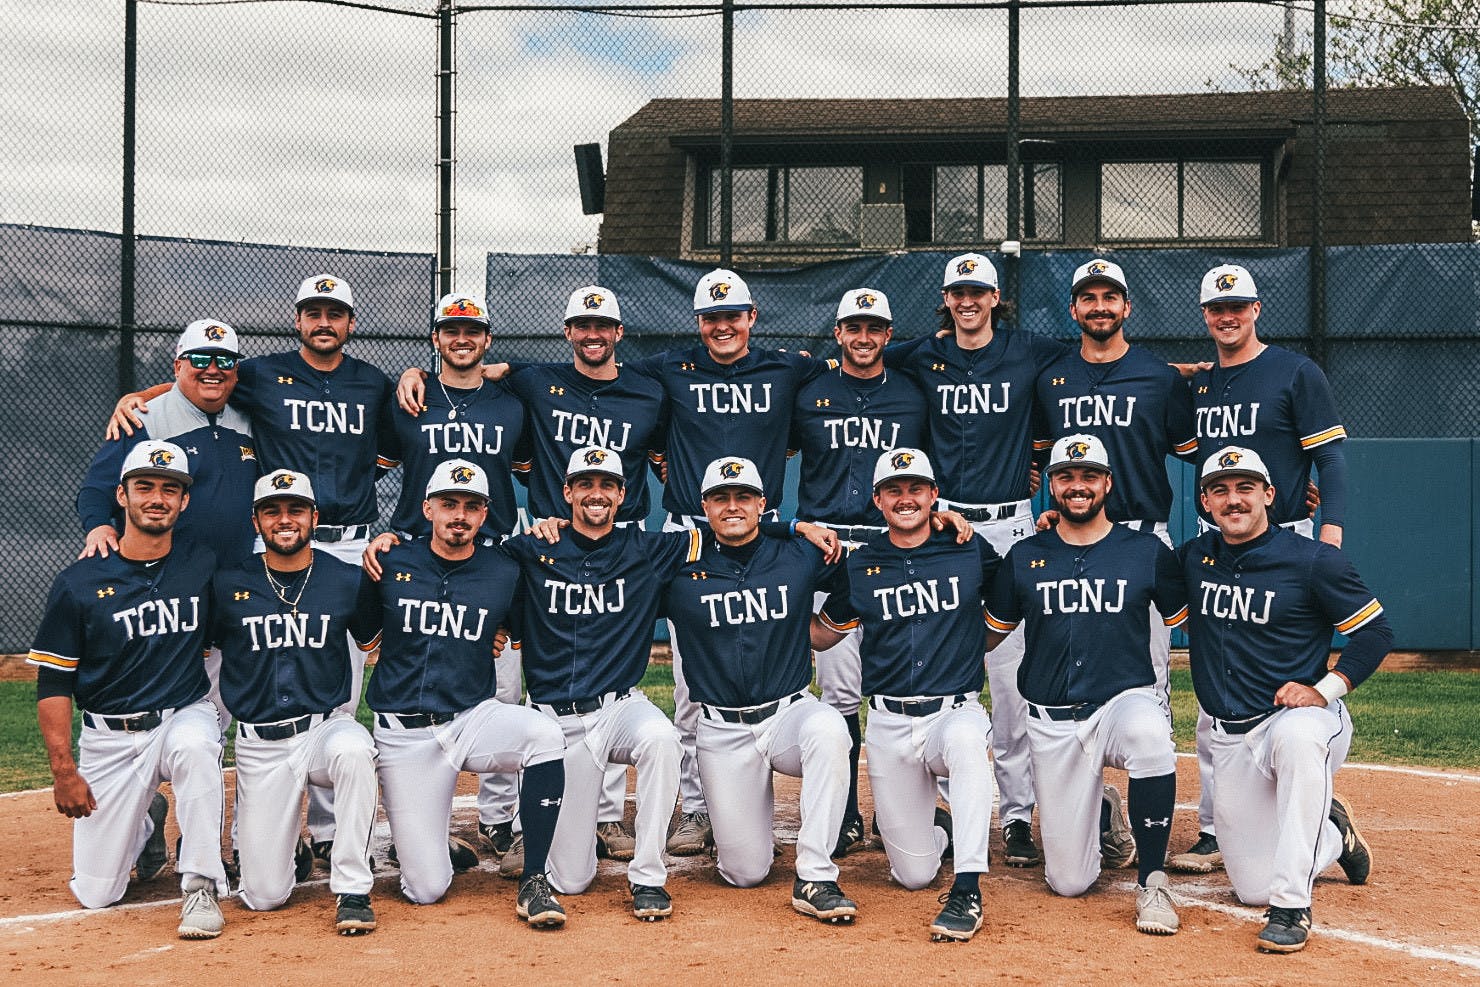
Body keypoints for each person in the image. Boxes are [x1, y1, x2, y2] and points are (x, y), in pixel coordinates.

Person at [107, 274, 396, 866]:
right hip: (281, 538)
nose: (323, 321)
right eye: (313, 311)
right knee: (264, 671)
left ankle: (328, 828)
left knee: (337, 692)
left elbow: (394, 442)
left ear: (350, 322)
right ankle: (258, 821)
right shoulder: (261, 372)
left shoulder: (373, 382)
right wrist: (143, 398)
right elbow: (206, 381)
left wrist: (418, 376)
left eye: (334, 312)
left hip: (349, 544)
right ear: (297, 319)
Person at [392, 285, 667, 862]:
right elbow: (482, 370)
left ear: (619, 331)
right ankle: (501, 819)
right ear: (566, 331)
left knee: (601, 667)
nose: (592, 334)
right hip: (537, 537)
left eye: (603, 325)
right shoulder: (530, 386)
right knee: (508, 688)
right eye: (581, 325)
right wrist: (414, 370)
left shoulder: (646, 390)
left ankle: (606, 818)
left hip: (617, 536)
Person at [634, 269, 836, 857]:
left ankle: (794, 790)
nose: (723, 326)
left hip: (762, 527)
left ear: (751, 318)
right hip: (692, 533)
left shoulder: (789, 367)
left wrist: (788, 522)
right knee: (692, 678)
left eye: (734, 315)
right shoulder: (671, 367)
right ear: (699, 324)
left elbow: (866, 362)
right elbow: (596, 375)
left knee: (774, 649)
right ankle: (697, 806)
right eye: (712, 318)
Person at [884, 253, 1069, 868]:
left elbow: (1103, 360)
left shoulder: (1029, 350)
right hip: (944, 525)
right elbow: (860, 360)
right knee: (938, 670)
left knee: (1011, 683)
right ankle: (936, 805)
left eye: (978, 291)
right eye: (957, 292)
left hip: (1011, 523)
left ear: (995, 297)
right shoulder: (919, 355)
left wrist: (1186, 369)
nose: (967, 301)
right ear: (946, 299)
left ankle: (1017, 816)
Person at [1173, 263, 1352, 875]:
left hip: (1286, 534)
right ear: (1204, 316)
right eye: (1217, 309)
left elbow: (1329, 455)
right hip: (1217, 536)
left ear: (1255, 310)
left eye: (1239, 306)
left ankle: (1317, 760)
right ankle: (1213, 827)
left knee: (1282, 668)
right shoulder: (1199, 387)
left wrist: (1330, 525)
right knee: (1216, 688)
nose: (1228, 316)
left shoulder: (1295, 371)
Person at [1179, 447, 1384, 952]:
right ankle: (1333, 833)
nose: (1234, 500)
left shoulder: (1313, 559)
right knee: (1250, 888)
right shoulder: (1191, 558)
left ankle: (1293, 906)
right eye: (1221, 490)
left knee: (1297, 738)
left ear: (1269, 495)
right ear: (1204, 501)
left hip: (1295, 718)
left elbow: (1375, 633)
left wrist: (1324, 689)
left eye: (1246, 488)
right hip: (1231, 733)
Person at [984, 435, 1186, 935]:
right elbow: (987, 636)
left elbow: (1195, 622)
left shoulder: (1146, 553)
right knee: (1069, 881)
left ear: (1107, 483)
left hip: (1121, 703)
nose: (1078, 486)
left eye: (1088, 476)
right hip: (1052, 721)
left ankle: (1153, 881)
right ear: (1050, 485)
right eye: (1066, 477)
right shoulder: (1025, 555)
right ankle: (1103, 809)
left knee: (1151, 733)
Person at [30, 440, 228, 938]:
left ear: (185, 502)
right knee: (97, 894)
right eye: (145, 487)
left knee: (199, 746)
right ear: (122, 495)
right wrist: (63, 772)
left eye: (170, 489)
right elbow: (54, 681)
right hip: (110, 738)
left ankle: (200, 884)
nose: (157, 498)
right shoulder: (79, 582)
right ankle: (145, 820)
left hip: (182, 715)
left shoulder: (201, 566)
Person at [364, 459, 569, 927]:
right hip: (404, 734)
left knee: (543, 734)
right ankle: (430, 843)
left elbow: (513, 627)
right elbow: (365, 634)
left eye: (471, 506)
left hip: (470, 718)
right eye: (449, 504)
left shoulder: (504, 569)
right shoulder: (391, 559)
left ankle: (534, 879)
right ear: (427, 508)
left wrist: (493, 633)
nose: (460, 515)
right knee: (426, 889)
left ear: (485, 514)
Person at [813, 448, 1001, 942]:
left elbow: (1013, 595)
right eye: (893, 490)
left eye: (916, 488)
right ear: (877, 500)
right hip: (889, 723)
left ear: (934, 495)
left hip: (952, 712)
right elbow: (826, 633)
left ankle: (967, 889)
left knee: (966, 745)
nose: (905, 498)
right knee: (913, 875)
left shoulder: (968, 547)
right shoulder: (862, 564)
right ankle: (938, 828)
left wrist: (975, 642)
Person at [662, 457, 858, 924]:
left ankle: (815, 873)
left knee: (830, 729)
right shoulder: (675, 562)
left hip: (788, 715)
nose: (733, 506)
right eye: (721, 498)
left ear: (762, 504)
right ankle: (741, 834)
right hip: (720, 728)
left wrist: (826, 628)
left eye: (744, 497)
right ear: (704, 506)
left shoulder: (801, 554)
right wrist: (792, 526)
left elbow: (860, 575)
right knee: (745, 871)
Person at [373, 291, 529, 867]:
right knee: (419, 676)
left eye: (472, 331)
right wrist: (386, 537)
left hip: (492, 556)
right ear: (435, 339)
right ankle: (416, 819)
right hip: (419, 552)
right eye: (449, 330)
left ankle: (499, 820)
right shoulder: (408, 400)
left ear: (487, 340)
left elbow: (526, 468)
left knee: (504, 687)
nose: (461, 339)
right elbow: (378, 466)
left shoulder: (511, 405)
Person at [502, 447, 690, 920]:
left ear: (623, 495)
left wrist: (792, 526)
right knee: (572, 879)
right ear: (567, 492)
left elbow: (734, 533)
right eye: (585, 484)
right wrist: (387, 547)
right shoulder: (533, 547)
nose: (596, 493)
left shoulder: (646, 548)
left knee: (662, 738)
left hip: (618, 708)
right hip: (553, 722)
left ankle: (648, 876)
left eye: (607, 484)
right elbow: (469, 559)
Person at [790, 288, 929, 857]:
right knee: (841, 690)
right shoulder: (810, 393)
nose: (864, 337)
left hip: (892, 550)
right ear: (839, 333)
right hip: (829, 548)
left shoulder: (912, 395)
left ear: (888, 335)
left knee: (906, 679)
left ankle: (914, 807)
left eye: (875, 327)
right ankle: (845, 813)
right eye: (854, 327)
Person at [211, 469, 381, 935]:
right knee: (264, 897)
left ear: (313, 517)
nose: (285, 519)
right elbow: (199, 647)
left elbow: (377, 641)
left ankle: (352, 888)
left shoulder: (346, 578)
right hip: (261, 742)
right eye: (272, 511)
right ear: (256, 521)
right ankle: (292, 852)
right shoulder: (227, 585)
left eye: (295, 510)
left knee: (354, 749)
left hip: (325, 726)